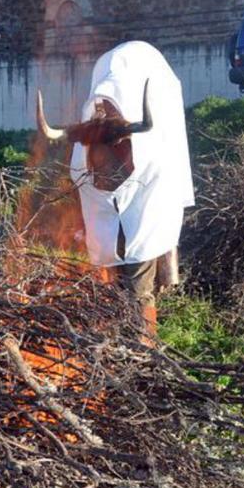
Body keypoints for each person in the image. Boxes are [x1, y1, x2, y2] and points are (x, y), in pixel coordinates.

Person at [71, 41, 194, 341]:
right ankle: (118, 345)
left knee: (139, 289)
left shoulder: (152, 156)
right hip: (108, 208)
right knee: (113, 288)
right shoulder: (88, 144)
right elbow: (80, 176)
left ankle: (145, 349)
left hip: (146, 206)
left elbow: (154, 172)